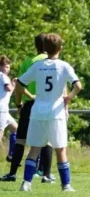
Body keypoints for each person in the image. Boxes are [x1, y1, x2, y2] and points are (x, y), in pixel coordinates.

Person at [16, 33, 82, 191]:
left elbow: (19, 84)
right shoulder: (64, 66)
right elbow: (78, 85)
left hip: (38, 111)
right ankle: (66, 185)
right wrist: (68, 98)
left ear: (44, 49)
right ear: (60, 48)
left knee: (34, 149)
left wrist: (19, 103)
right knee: (60, 149)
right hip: (56, 114)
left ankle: (26, 183)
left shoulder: (37, 66)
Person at [1, 33, 54, 183]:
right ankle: (46, 175)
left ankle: (12, 173)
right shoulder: (53, 62)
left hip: (29, 105)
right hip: (47, 105)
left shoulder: (28, 62)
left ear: (36, 45)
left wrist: (19, 105)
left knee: (21, 140)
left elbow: (19, 86)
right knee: (47, 141)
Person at [0, 56, 18, 163]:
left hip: (4, 110)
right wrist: (13, 84)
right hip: (1, 110)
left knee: (15, 128)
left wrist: (13, 85)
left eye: (8, 67)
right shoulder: (3, 76)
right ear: (1, 66)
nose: (8, 69)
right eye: (6, 67)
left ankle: (11, 154)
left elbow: (7, 94)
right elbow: (8, 88)